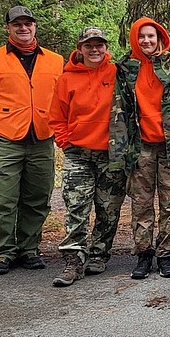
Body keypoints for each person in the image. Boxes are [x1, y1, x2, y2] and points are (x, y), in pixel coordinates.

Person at [0, 5, 63, 275]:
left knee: (38, 197)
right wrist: (0, 116)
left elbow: (64, 97)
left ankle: (29, 249)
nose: (23, 28)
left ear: (35, 26)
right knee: (3, 199)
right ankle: (2, 253)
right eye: (17, 24)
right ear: (8, 28)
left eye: (27, 23)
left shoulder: (55, 61)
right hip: (3, 139)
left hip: (42, 138)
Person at [110, 17, 170, 280]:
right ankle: (144, 254)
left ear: (160, 38)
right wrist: (120, 153)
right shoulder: (126, 68)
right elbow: (119, 110)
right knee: (141, 204)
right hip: (141, 147)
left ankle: (166, 255)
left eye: (151, 36)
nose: (147, 41)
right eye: (142, 37)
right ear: (135, 39)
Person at [48, 27, 126, 286]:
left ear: (106, 47)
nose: (95, 50)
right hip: (78, 154)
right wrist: (65, 141)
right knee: (76, 207)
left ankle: (99, 254)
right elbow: (56, 116)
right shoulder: (67, 78)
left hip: (110, 154)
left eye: (99, 45)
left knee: (108, 208)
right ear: (80, 48)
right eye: (89, 45)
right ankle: (73, 260)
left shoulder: (117, 73)